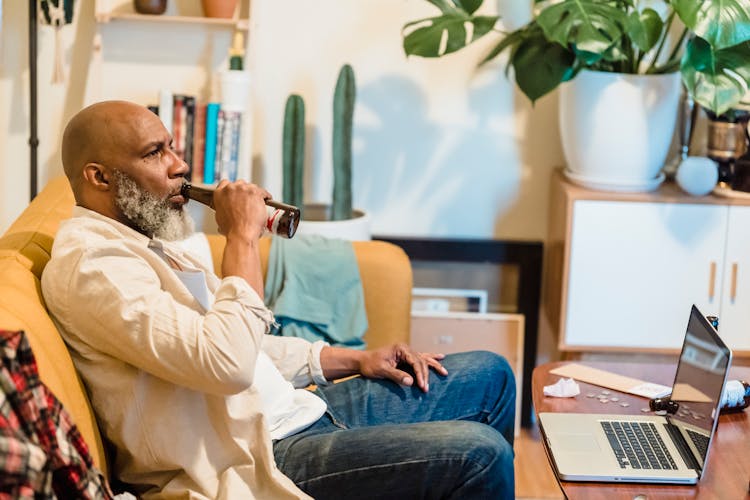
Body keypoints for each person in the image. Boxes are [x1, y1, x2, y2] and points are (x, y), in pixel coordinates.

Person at [41, 100, 516, 499]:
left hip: (297, 411)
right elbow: (226, 361)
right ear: (99, 177)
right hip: (259, 459)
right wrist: (242, 240)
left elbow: (237, 340)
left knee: (490, 375)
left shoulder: (142, 237)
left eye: (171, 146)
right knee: (479, 453)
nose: (178, 165)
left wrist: (355, 358)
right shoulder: (93, 267)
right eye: (154, 153)